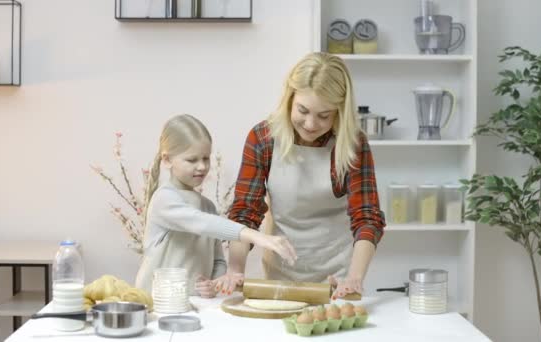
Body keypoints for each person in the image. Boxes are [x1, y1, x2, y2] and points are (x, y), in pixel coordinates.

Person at [215, 52, 386, 299]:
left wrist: (354, 278)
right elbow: (245, 213)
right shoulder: (263, 138)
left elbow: (367, 218)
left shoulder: (352, 144)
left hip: (339, 278)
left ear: (340, 111)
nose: (310, 124)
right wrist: (235, 269)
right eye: (303, 110)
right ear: (289, 98)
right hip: (279, 277)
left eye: (324, 115)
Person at [134, 114, 297, 298]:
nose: (202, 166)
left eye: (206, 158)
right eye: (192, 160)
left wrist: (214, 283)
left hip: (192, 307)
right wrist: (257, 237)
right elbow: (201, 223)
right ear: (167, 159)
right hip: (154, 305)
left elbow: (218, 260)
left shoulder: (207, 206)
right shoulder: (164, 199)